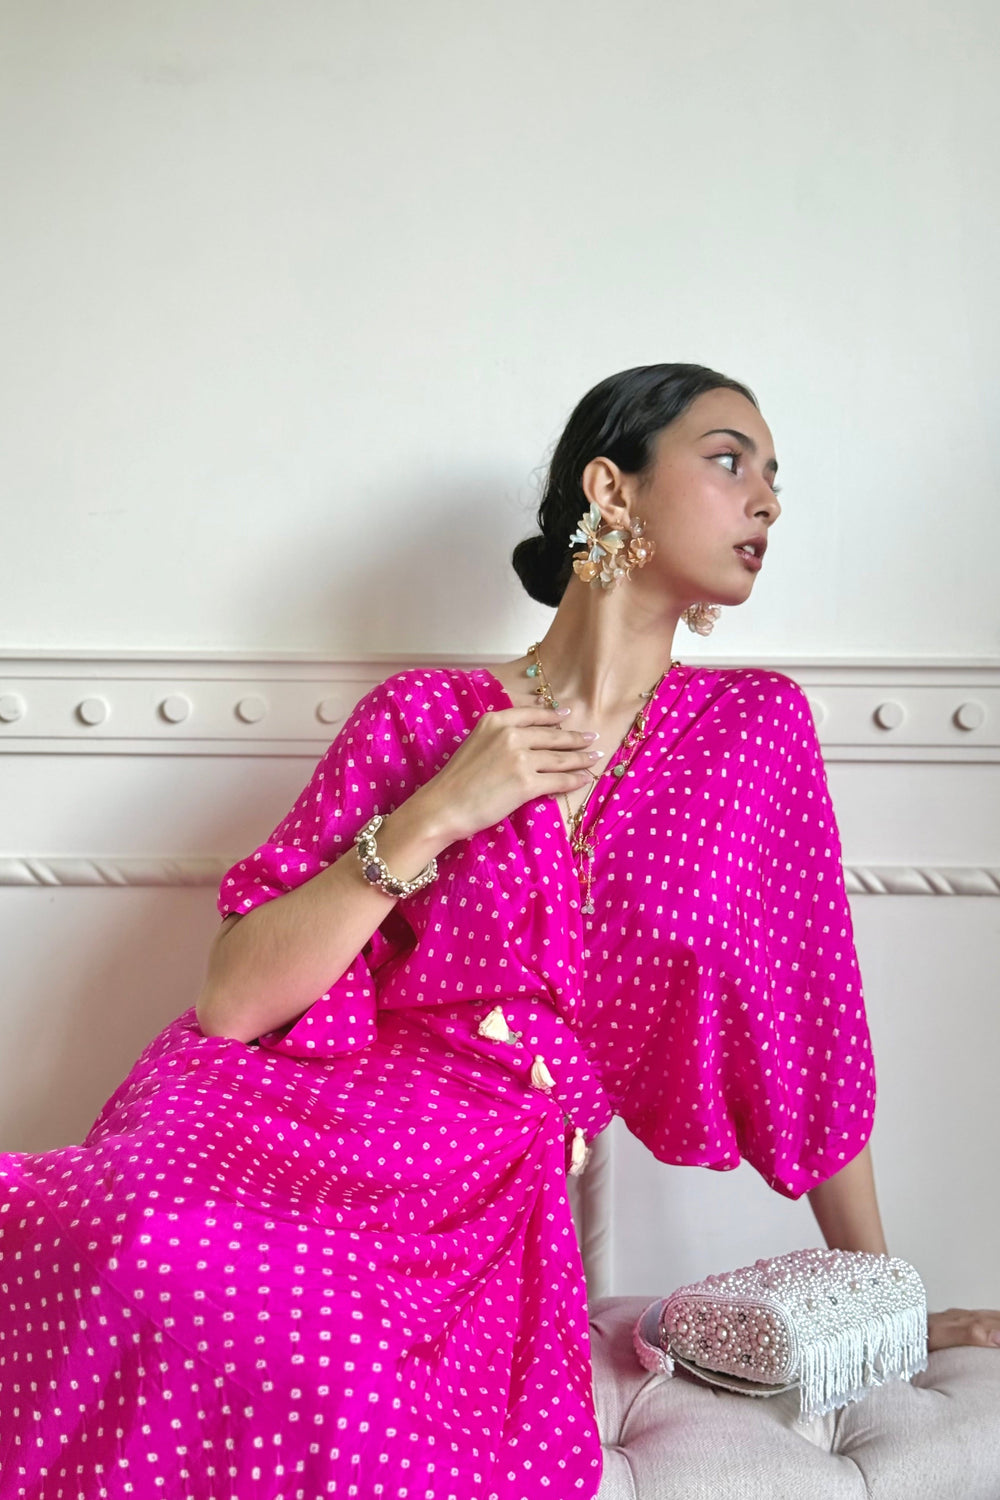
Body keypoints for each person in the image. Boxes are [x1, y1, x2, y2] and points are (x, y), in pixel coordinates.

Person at [1, 363, 997, 1500]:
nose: (766, 497)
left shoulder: (751, 732)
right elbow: (233, 1001)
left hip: (468, 1185)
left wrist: (885, 1300)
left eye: (775, 476)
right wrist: (435, 814)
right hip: (281, 1114)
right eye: (729, 460)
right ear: (611, 489)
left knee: (305, 1344)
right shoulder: (420, 716)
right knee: (126, 1234)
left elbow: (809, 1031)